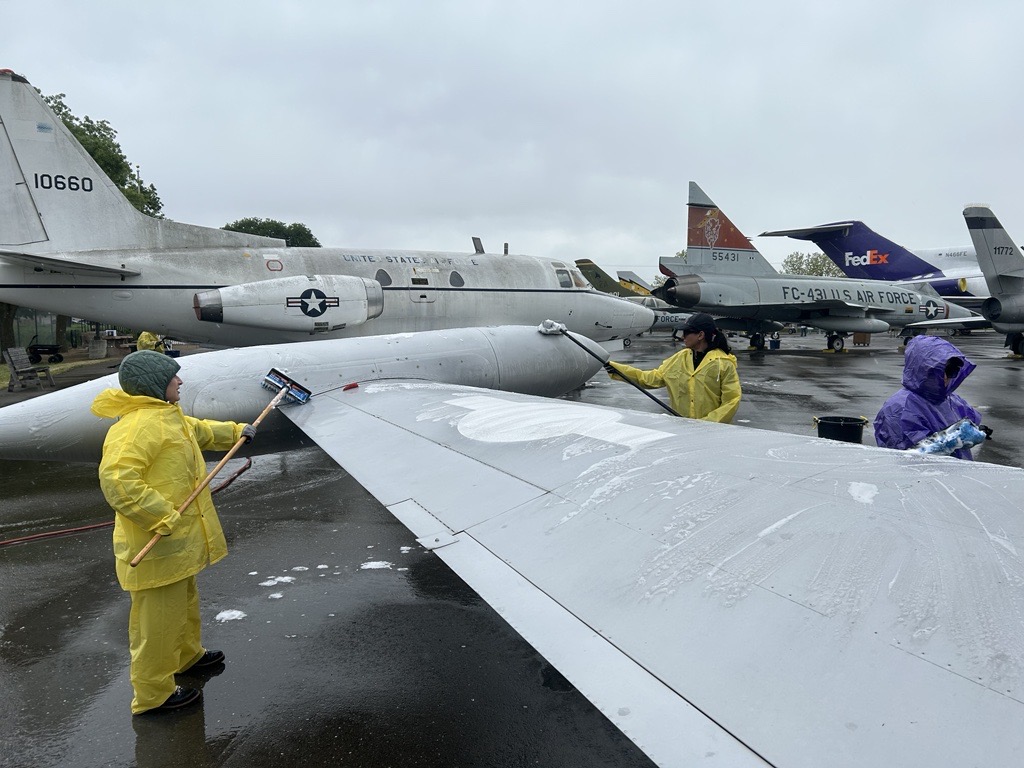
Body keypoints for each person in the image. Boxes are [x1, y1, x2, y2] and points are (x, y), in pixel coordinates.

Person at [90, 350, 256, 714]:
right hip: (157, 543)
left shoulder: (167, 416)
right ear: (155, 385)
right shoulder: (137, 427)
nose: (180, 382)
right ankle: (152, 697)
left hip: (176, 545)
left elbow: (198, 430)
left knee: (183, 606)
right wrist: (162, 517)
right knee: (157, 627)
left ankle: (186, 657)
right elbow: (118, 481)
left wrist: (234, 432)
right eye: (173, 378)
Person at [605, 312, 742, 423]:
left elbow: (731, 400)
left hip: (713, 434)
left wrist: (708, 423)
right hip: (682, 430)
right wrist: (615, 368)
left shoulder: (723, 363)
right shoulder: (679, 358)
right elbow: (651, 379)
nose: (682, 336)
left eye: (687, 332)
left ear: (700, 335)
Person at [874, 335, 988, 460]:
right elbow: (906, 457)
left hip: (955, 474)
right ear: (922, 370)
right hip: (923, 477)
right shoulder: (899, 408)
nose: (945, 377)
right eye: (937, 371)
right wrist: (952, 440)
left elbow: (970, 420)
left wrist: (974, 431)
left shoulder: (950, 399)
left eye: (951, 370)